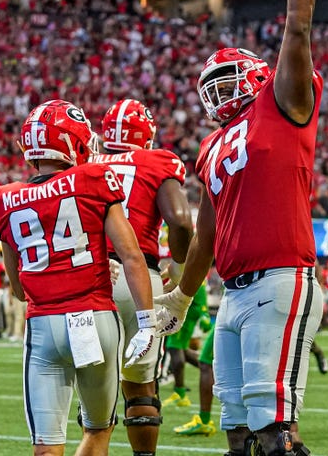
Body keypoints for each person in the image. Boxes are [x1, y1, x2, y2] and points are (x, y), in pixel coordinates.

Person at [155, 0, 322, 456]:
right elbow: (205, 234)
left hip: (279, 278)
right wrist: (178, 298)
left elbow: (296, 31)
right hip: (232, 292)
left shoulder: (283, 103)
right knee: (238, 436)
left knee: (276, 432)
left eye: (231, 79)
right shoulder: (210, 144)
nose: (222, 92)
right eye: (214, 84)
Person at [0, 99, 157, 456]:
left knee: (46, 448)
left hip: (43, 326)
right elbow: (131, 255)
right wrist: (147, 322)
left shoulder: (4, 199)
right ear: (74, 143)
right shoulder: (93, 179)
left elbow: (18, 289)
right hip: (94, 318)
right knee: (97, 430)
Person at [92, 97, 193, 456]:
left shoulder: (85, 163)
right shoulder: (156, 161)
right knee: (140, 386)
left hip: (88, 280)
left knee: (92, 388)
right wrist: (180, 267)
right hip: (137, 280)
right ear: (147, 136)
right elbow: (181, 220)